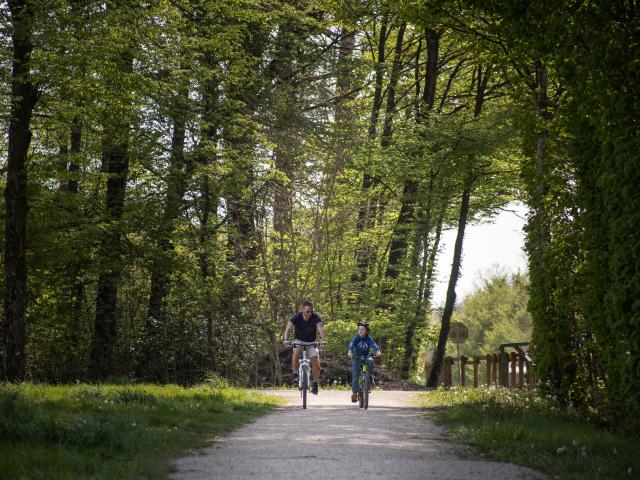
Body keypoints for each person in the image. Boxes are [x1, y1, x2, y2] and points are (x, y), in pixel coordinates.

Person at [283, 301, 326, 395]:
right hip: (299, 341)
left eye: (311, 311)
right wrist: (285, 339)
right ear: (303, 310)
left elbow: (320, 328)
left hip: (311, 342)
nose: (310, 313)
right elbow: (288, 328)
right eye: (308, 311)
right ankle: (295, 373)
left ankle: (315, 382)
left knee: (315, 360)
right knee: (297, 351)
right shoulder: (296, 317)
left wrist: (323, 340)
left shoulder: (316, 317)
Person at [348, 321, 381, 403]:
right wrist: (350, 352)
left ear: (366, 330)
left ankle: (368, 377)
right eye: (359, 329)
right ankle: (355, 394)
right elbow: (352, 344)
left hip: (366, 357)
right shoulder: (356, 337)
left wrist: (378, 351)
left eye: (362, 329)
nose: (360, 331)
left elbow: (374, 345)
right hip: (357, 357)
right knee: (356, 376)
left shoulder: (368, 338)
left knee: (370, 361)